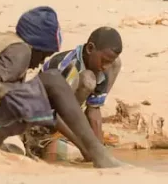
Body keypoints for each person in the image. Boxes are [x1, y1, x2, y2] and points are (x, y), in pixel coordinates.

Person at [0, 7, 121, 168]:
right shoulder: (20, 51)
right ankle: (100, 155)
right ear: (37, 47)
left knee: (47, 87)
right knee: (53, 79)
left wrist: (84, 148)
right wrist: (29, 91)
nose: (41, 62)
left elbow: (53, 117)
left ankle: (97, 153)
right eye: (44, 55)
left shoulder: (7, 40)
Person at [24, 26, 123, 157]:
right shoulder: (65, 65)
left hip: (69, 119)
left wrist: (99, 150)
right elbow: (54, 115)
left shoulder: (100, 68)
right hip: (44, 123)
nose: (105, 67)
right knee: (56, 154)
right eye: (104, 61)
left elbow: (94, 110)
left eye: (108, 63)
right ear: (90, 49)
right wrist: (84, 147)